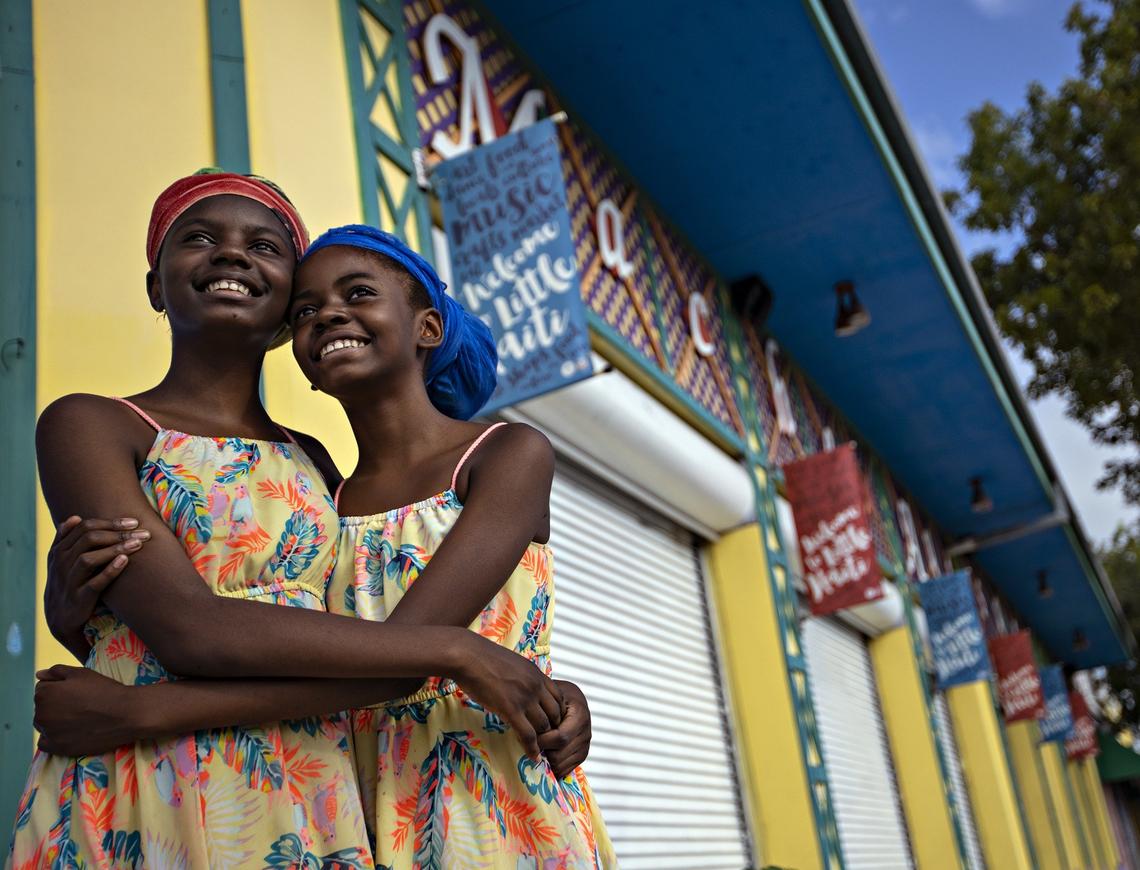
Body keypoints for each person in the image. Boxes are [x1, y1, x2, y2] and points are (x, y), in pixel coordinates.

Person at [11, 173, 585, 870]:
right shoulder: (94, 423)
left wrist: (144, 704)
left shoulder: (316, 468)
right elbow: (195, 627)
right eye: (196, 239)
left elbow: (375, 642)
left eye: (262, 245)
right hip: (149, 779)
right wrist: (77, 615)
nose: (229, 255)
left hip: (320, 783)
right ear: (157, 287)